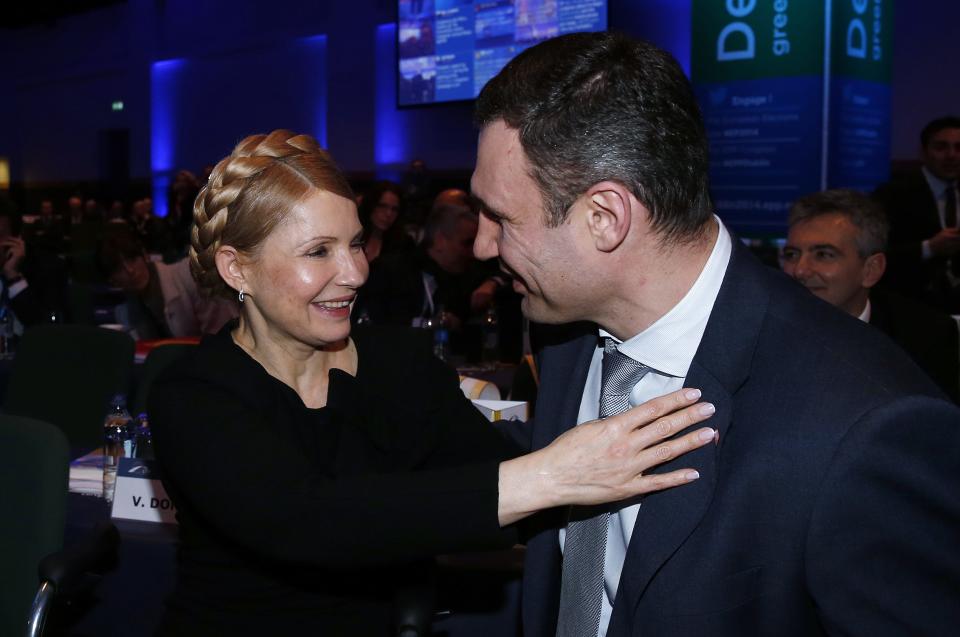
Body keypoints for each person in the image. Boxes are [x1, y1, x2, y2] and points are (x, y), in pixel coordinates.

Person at [470, 32, 960, 636]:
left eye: (500, 217)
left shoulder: (864, 422)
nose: (481, 245)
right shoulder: (567, 334)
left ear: (604, 217)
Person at [148, 129, 716, 635]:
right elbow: (307, 520)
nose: (353, 272)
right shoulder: (194, 394)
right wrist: (550, 473)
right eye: (318, 252)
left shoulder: (398, 364)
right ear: (235, 267)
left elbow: (491, 484)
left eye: (354, 243)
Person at [782, 188, 959, 401]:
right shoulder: (760, 328)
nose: (800, 270)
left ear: (871, 270)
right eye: (792, 254)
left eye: (823, 255)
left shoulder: (925, 338)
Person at [874, 116, 960, 312]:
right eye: (941, 147)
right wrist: (929, 248)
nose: (951, 155)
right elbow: (874, 254)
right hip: (908, 305)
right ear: (924, 152)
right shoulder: (892, 194)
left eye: (959, 148)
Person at [95, 229, 236, 338]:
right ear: (112, 280)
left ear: (145, 256)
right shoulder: (128, 308)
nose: (130, 270)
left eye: (132, 259)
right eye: (120, 268)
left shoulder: (191, 276)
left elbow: (222, 335)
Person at [357, 180, 412, 262]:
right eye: (382, 206)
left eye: (394, 209)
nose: (388, 213)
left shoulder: (403, 244)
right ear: (370, 205)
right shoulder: (353, 237)